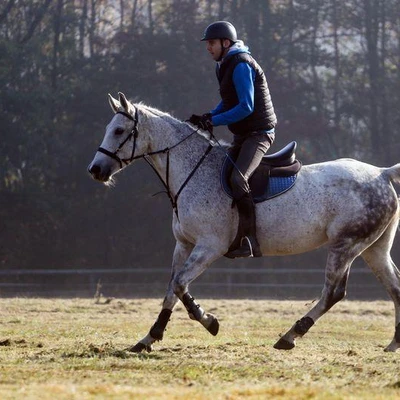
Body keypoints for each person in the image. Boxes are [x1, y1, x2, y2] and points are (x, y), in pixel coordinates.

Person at [189, 21, 277, 258]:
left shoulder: (240, 64)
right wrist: (209, 115)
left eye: (211, 43)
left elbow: (246, 107)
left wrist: (214, 121)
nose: (208, 48)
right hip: (243, 135)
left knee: (238, 180)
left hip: (259, 134)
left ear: (225, 43)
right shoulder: (224, 65)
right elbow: (229, 101)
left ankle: (250, 240)